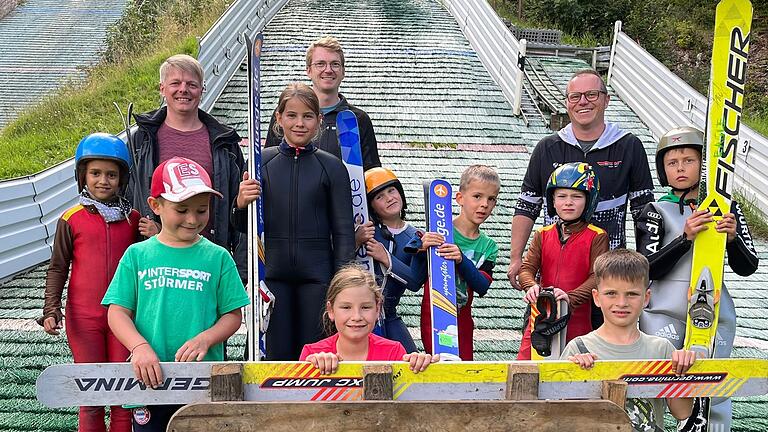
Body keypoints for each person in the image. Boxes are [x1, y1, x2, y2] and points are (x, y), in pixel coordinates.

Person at [103, 157, 249, 431]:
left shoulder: (218, 257)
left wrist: (206, 338)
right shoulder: (137, 255)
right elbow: (118, 312)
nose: (193, 219)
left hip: (202, 382)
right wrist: (139, 347)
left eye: (201, 210)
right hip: (148, 380)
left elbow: (232, 315)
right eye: (181, 210)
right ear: (155, 205)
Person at [635, 126, 759, 430]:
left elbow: (748, 266)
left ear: (703, 165)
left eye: (688, 160)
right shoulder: (654, 210)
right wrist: (684, 239)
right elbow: (645, 268)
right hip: (663, 312)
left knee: (711, 388)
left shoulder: (729, 209)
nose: (680, 168)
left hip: (714, 311)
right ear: (663, 169)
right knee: (656, 381)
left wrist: (733, 240)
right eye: (672, 163)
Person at [233, 82, 355, 361]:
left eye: (308, 116)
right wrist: (240, 203)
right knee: (275, 355)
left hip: (319, 277)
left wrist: (342, 283)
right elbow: (242, 228)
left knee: (316, 357)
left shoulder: (332, 167)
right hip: (272, 275)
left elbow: (344, 233)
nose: (299, 123)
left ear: (319, 121)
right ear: (279, 118)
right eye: (292, 115)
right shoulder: (259, 162)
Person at [507, 69, 654, 286]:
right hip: (555, 270)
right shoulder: (547, 148)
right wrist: (516, 257)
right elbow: (527, 206)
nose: (583, 102)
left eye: (591, 95)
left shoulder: (628, 146)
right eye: (575, 97)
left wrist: (645, 265)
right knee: (544, 319)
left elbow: (644, 212)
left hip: (608, 272)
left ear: (607, 100)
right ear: (567, 103)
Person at [37, 133, 137, 432]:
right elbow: (58, 267)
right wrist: (51, 309)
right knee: (91, 396)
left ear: (122, 179)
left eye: (111, 174)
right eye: (95, 173)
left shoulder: (134, 220)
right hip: (84, 319)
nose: (103, 180)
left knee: (124, 395)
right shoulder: (71, 218)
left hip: (125, 319)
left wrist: (154, 231)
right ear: (83, 176)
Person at [562, 249, 698, 432]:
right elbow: (562, 415)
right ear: (596, 297)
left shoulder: (661, 349)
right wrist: (574, 375)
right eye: (611, 293)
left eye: (632, 294)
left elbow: (682, 412)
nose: (621, 303)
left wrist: (684, 371)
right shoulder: (579, 349)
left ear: (646, 298)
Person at [126, 54, 244, 257]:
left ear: (202, 90)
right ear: (162, 88)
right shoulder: (141, 140)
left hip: (209, 257)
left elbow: (239, 205)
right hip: (155, 257)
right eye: (175, 83)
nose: (183, 90)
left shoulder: (225, 143)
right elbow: (125, 197)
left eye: (192, 84)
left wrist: (241, 272)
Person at [516, 162, 608, 360]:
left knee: (576, 375)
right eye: (561, 196)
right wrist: (531, 286)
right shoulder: (543, 234)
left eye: (576, 196)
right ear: (553, 200)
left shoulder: (597, 236)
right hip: (540, 318)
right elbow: (526, 269)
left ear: (589, 200)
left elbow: (597, 278)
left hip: (578, 320)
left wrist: (569, 297)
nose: (568, 202)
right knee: (525, 368)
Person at [410, 165, 500, 360]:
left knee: (463, 369)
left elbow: (482, 286)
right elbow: (413, 282)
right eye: (477, 196)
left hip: (464, 318)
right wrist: (420, 250)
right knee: (438, 366)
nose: (484, 204)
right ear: (460, 198)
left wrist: (461, 259)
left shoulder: (488, 246)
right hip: (434, 315)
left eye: (491, 199)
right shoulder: (437, 231)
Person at [265, 36, 380, 170]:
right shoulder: (287, 114)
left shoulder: (357, 119)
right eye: (320, 64)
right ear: (308, 70)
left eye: (335, 64)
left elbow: (372, 172)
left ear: (343, 71)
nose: (328, 70)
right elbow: (269, 165)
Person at [300, 265, 438, 374]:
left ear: (377, 309)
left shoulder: (394, 352)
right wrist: (312, 369)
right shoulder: (312, 354)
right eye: (346, 307)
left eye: (365, 307)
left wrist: (420, 366)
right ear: (331, 310)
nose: (356, 317)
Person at [353, 167, 420, 352]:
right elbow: (339, 264)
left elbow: (414, 281)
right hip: (357, 315)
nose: (389, 198)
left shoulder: (415, 236)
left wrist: (387, 258)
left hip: (389, 315)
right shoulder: (366, 230)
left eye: (392, 190)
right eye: (379, 196)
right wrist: (355, 241)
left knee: (411, 361)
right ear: (371, 206)